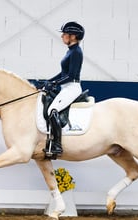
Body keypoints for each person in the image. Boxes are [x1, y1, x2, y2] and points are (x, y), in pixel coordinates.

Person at [43, 21, 85, 157]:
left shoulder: (76, 52)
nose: (62, 37)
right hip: (66, 86)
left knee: (52, 110)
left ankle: (57, 145)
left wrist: (54, 83)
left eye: (64, 34)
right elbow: (63, 74)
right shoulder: (70, 51)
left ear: (72, 36)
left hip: (72, 87)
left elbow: (71, 75)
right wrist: (49, 81)